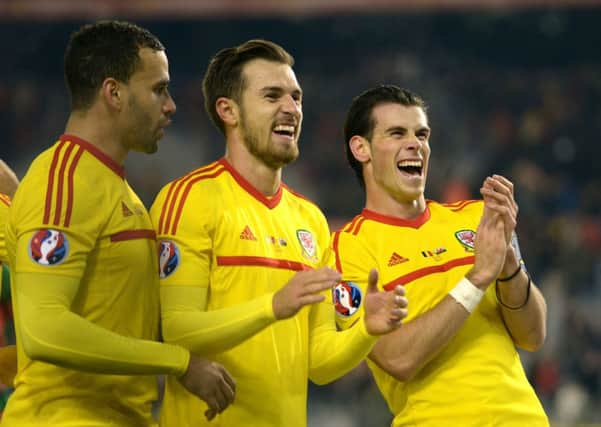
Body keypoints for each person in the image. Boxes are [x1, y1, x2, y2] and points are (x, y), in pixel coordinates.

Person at [149, 39, 408, 427]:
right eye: (272, 96)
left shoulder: (310, 219)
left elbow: (319, 363)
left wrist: (365, 332)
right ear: (228, 111)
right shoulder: (189, 198)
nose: (291, 108)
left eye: (296, 97)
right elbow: (177, 329)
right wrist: (272, 306)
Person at [2, 21, 236, 426]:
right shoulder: (66, 181)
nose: (171, 105)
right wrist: (179, 362)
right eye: (158, 89)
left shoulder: (109, 187)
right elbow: (43, 329)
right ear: (113, 93)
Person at [333, 84, 549, 426]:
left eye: (422, 134)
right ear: (361, 148)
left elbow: (533, 335)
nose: (414, 144)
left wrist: (508, 265)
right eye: (396, 133)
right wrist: (477, 278)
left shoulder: (474, 218)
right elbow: (398, 358)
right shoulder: (346, 249)